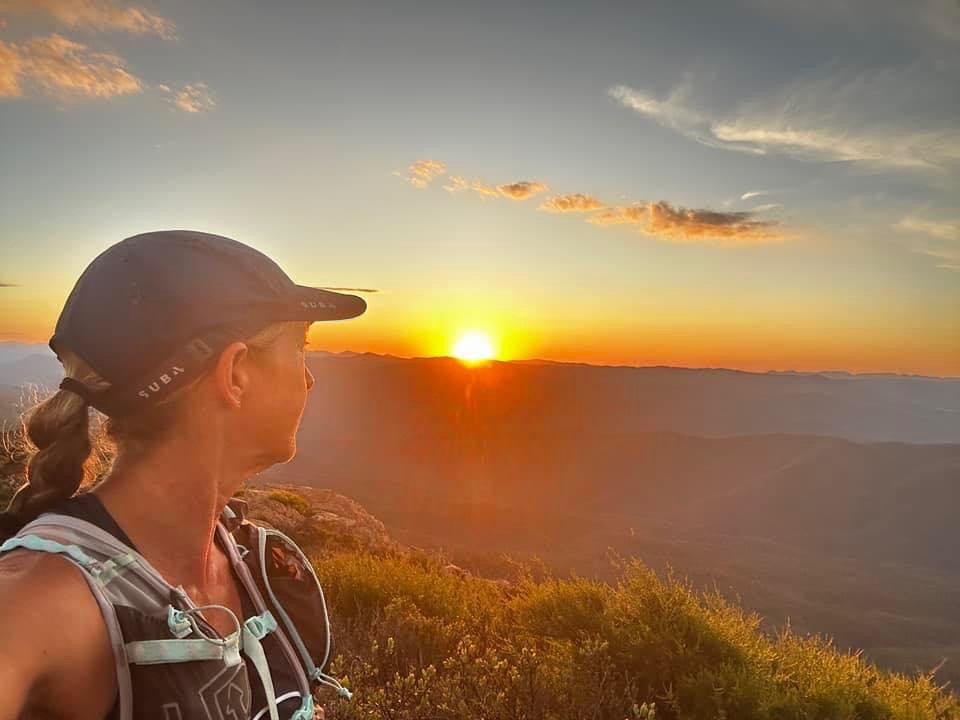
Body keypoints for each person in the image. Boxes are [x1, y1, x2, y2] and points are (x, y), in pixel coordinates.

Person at [0, 230, 367, 720]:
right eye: (300, 346)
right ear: (235, 373)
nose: (309, 377)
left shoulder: (247, 562)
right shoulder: (40, 602)